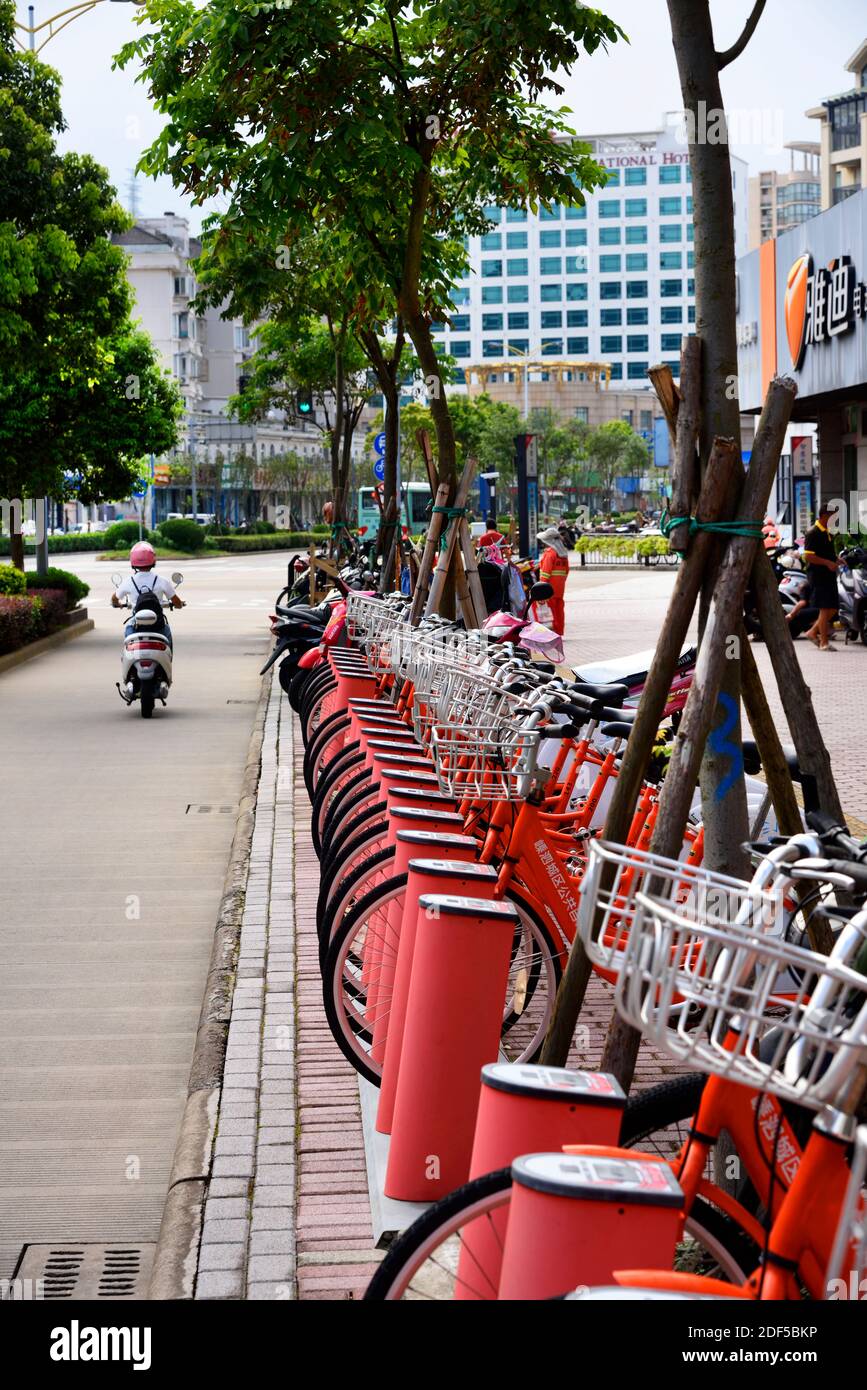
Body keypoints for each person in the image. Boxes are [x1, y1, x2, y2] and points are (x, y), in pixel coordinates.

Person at [111, 541, 185, 645]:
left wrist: (117, 604)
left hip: (136, 625)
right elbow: (176, 602)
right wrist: (180, 604)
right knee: (167, 633)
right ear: (153, 560)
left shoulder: (129, 581)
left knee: (128, 637)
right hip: (158, 625)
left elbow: (114, 599)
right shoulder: (162, 581)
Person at [802, 504, 840, 652]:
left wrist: (835, 559)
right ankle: (824, 643)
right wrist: (828, 562)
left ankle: (812, 632)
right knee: (825, 609)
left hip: (828, 575)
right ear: (824, 515)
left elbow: (823, 552)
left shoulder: (827, 532)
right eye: (833, 516)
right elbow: (809, 556)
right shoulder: (813, 532)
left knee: (833, 609)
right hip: (819, 577)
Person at [536, 526, 570, 636]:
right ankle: (559, 631)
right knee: (559, 609)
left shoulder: (550, 553)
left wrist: (540, 590)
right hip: (560, 588)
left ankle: (552, 632)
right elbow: (566, 571)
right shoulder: (563, 554)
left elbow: (545, 573)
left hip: (549, 588)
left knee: (552, 610)